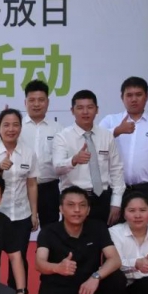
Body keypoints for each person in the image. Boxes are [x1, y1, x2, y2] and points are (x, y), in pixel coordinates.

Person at [35, 186, 129, 294]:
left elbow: (115, 260)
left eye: (82, 205)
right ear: (61, 209)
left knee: (117, 278)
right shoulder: (49, 231)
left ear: (88, 209)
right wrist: (57, 267)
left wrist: (96, 277)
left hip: (88, 286)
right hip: (59, 285)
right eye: (71, 205)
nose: (77, 210)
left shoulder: (98, 228)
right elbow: (39, 263)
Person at [99, 77, 148, 225]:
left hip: (146, 191)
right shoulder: (110, 121)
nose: (134, 99)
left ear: (147, 97)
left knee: (144, 235)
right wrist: (117, 131)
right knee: (113, 235)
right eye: (129, 95)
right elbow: (95, 142)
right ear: (122, 97)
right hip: (115, 190)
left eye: (138, 94)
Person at [0, 108, 39, 293]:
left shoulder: (28, 152)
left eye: (15, 125)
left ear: (21, 127)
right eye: (6, 125)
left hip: (21, 215)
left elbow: (32, 184)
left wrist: (34, 213)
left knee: (19, 257)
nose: (11, 129)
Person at [53, 90, 124, 225]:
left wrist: (116, 202)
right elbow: (57, 168)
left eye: (90, 107)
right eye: (80, 108)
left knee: (101, 237)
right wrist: (74, 160)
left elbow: (116, 169)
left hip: (102, 198)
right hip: (74, 200)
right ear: (72, 111)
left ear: (97, 110)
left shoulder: (106, 135)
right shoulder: (63, 137)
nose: (85, 112)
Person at [20, 80, 63, 227]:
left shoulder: (58, 129)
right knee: (22, 229)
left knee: (50, 230)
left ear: (48, 102)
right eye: (32, 100)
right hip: (22, 187)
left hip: (49, 187)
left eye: (41, 100)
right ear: (25, 102)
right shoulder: (17, 127)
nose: (36, 104)